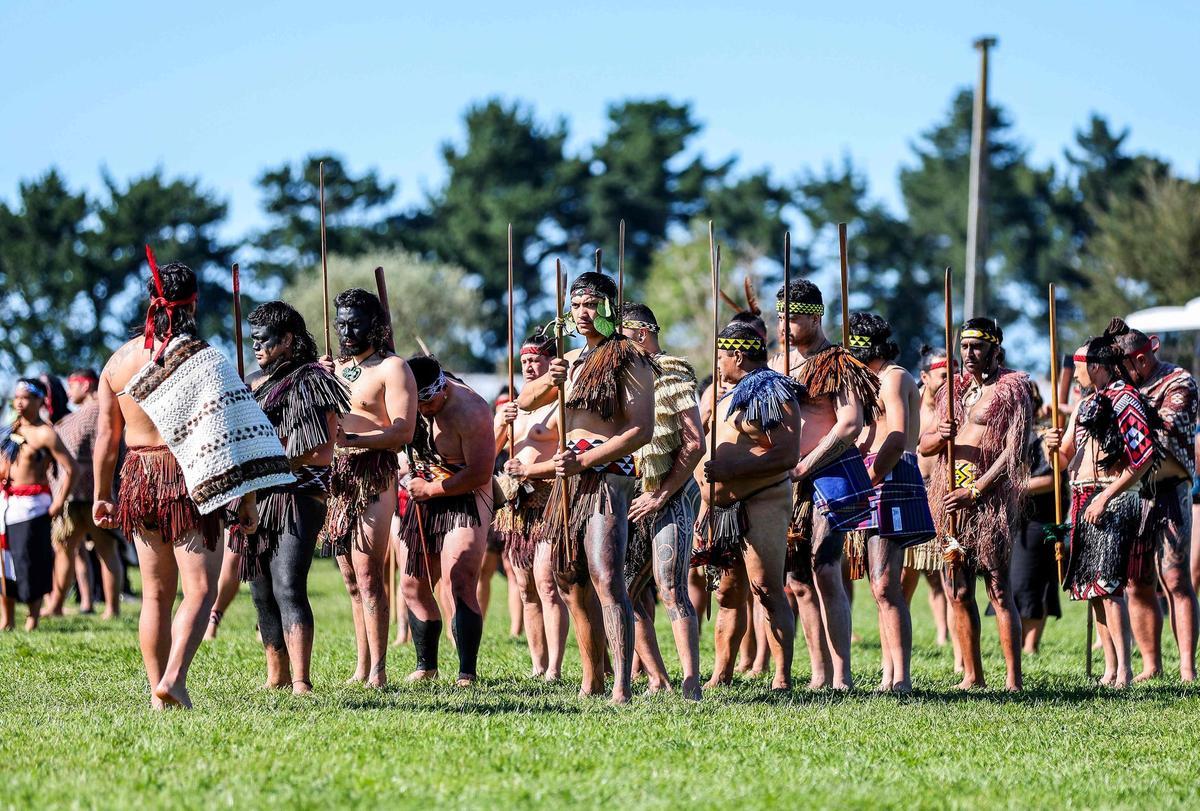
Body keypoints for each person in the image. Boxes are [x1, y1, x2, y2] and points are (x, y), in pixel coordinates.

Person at [93, 248, 290, 708]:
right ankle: (174, 679)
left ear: (150, 304)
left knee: (155, 597)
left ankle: (156, 691)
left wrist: (102, 495)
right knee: (200, 589)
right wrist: (245, 497)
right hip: (187, 478)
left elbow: (106, 437)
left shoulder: (118, 363)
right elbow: (227, 437)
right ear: (194, 305)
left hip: (138, 477)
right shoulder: (207, 360)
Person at [521, 269, 656, 703]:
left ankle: (621, 683)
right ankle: (590, 677)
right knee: (570, 579)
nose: (582, 312)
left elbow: (640, 430)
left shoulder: (628, 358)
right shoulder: (573, 362)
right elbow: (524, 401)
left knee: (605, 577)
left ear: (610, 308)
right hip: (568, 479)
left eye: (591, 304)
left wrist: (586, 459)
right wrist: (551, 379)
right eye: (576, 304)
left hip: (606, 478)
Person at [772, 279, 878, 690]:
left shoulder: (839, 362)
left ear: (816, 317)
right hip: (786, 477)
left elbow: (850, 424)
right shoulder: (779, 363)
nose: (784, 325)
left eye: (793, 317)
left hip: (829, 473)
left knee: (825, 568)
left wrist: (806, 465)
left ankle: (842, 674)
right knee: (797, 581)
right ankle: (817, 674)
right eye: (780, 317)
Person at [237, 301, 349, 694]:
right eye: (252, 339)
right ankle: (277, 676)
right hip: (258, 495)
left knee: (288, 584)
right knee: (261, 589)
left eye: (263, 338)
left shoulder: (312, 379)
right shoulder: (252, 381)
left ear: (287, 339)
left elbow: (317, 444)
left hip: (299, 490)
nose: (256, 346)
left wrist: (269, 463)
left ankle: (301, 679)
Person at [919, 317, 1031, 691]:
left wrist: (978, 489)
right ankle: (973, 675)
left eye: (977, 347)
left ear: (995, 349)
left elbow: (1015, 451)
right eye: (964, 347)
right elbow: (925, 446)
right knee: (958, 589)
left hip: (989, 501)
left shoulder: (1012, 387)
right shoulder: (951, 390)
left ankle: (1013, 680)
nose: (969, 354)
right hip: (950, 501)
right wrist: (941, 433)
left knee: (998, 590)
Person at [1045, 325, 1159, 687]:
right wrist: (1051, 442)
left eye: (1078, 364)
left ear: (1096, 366)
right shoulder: (1085, 403)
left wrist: (1106, 497)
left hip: (1111, 496)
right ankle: (1110, 668)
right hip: (1082, 497)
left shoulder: (1125, 399)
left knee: (1109, 587)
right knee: (1092, 589)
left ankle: (1124, 670)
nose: (1073, 371)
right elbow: (1064, 459)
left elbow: (1142, 457)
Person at [694, 323, 802, 689]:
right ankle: (721, 674)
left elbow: (787, 453)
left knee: (766, 588)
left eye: (721, 357)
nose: (718, 365)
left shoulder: (773, 391)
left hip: (762, 500)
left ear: (737, 356)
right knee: (727, 592)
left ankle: (782, 677)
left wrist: (733, 468)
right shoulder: (731, 394)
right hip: (721, 510)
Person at [319, 288, 417, 689]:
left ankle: (378, 669)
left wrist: (355, 441)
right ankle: (361, 665)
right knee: (350, 579)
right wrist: (319, 377)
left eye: (355, 322)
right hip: (337, 477)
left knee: (369, 573)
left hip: (373, 473)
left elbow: (402, 431)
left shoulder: (393, 369)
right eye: (341, 323)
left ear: (374, 324)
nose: (346, 330)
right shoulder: (334, 368)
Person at [842, 314, 934, 693]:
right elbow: (865, 435)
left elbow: (895, 438)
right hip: (871, 474)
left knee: (885, 584)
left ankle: (902, 678)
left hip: (892, 476)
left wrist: (869, 479)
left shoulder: (894, 377)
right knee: (878, 587)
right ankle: (887, 673)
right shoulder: (866, 383)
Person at [620, 302, 705, 700]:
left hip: (670, 492)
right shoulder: (618, 375)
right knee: (623, 589)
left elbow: (694, 443)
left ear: (639, 333)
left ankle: (691, 682)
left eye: (621, 335)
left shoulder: (672, 370)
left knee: (670, 585)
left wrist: (661, 493)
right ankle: (657, 677)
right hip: (631, 494)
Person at [397, 355, 495, 686]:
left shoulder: (472, 409)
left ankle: (467, 671)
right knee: (412, 585)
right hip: (422, 495)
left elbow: (480, 472)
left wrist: (433, 488)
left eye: (427, 400)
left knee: (460, 577)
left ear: (441, 388)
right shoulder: (407, 404)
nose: (422, 409)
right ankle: (427, 666)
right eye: (416, 402)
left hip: (466, 495)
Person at [1114, 322, 1199, 682]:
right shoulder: (1121, 388)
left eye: (1140, 360)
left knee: (1176, 578)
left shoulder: (1180, 381)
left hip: (1170, 488)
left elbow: (1162, 432)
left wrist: (1122, 409)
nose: (1137, 368)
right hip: (1133, 493)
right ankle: (1151, 664)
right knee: (1136, 581)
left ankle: (1186, 667)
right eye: (1130, 363)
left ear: (1151, 350)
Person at [494, 330, 569, 681]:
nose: (527, 366)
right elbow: (489, 450)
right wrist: (502, 422)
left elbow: (564, 456)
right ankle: (538, 666)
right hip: (516, 505)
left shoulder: (561, 400)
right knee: (524, 586)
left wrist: (530, 469)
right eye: (523, 360)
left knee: (547, 581)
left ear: (550, 361)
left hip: (549, 499)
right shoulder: (516, 405)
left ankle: (554, 667)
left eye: (534, 359)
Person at [45, 369, 124, 619]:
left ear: (87, 385)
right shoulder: (78, 417)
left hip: (97, 496)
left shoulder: (106, 411)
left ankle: (111, 608)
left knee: (102, 550)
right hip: (77, 497)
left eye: (73, 385)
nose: (69, 392)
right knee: (68, 549)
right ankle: (59, 605)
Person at [2, 379, 76, 631]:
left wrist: (58, 501)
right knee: (5, 562)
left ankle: (32, 618)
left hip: (34, 506)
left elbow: (71, 469)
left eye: (25, 397)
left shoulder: (45, 433)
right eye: (16, 397)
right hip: (7, 505)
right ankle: (7, 618)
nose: (19, 402)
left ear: (39, 401)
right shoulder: (9, 430)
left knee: (30, 561)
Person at [1011, 381, 1063, 654]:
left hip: (1040, 520)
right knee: (1016, 583)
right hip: (1015, 520)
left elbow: (1051, 479)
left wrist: (1014, 487)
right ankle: (1020, 644)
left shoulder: (1043, 436)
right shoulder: (1009, 436)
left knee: (1032, 583)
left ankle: (1030, 647)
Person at [910, 346, 953, 655]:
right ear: (925, 376)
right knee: (904, 577)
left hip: (942, 494)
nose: (950, 380)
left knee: (947, 576)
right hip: (911, 492)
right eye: (943, 375)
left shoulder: (954, 407)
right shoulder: (910, 403)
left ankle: (946, 638)